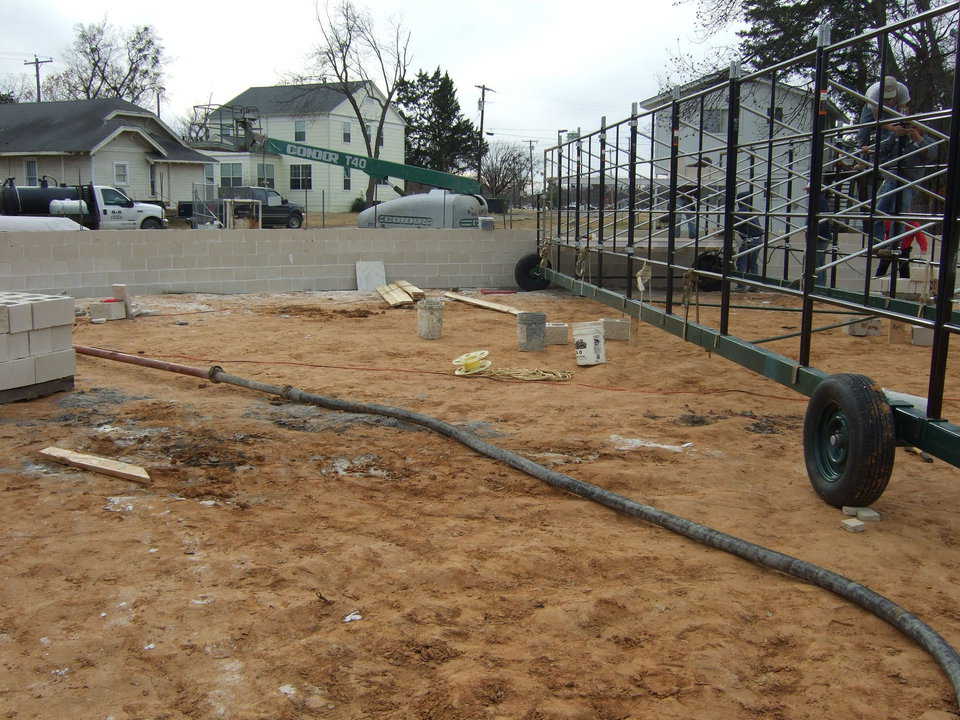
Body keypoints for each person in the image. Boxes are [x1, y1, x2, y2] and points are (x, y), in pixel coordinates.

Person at [857, 76, 929, 277]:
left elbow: (930, 152)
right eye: (886, 99)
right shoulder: (873, 96)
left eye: (891, 99)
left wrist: (905, 126)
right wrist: (892, 130)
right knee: (865, 133)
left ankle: (888, 245)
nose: (889, 101)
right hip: (894, 171)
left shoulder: (903, 92)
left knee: (894, 209)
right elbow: (879, 123)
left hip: (904, 176)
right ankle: (862, 153)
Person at [734, 191, 762, 291]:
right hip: (757, 240)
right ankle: (755, 286)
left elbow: (733, 223)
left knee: (742, 262)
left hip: (750, 241)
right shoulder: (750, 210)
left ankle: (741, 286)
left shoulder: (743, 211)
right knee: (752, 263)